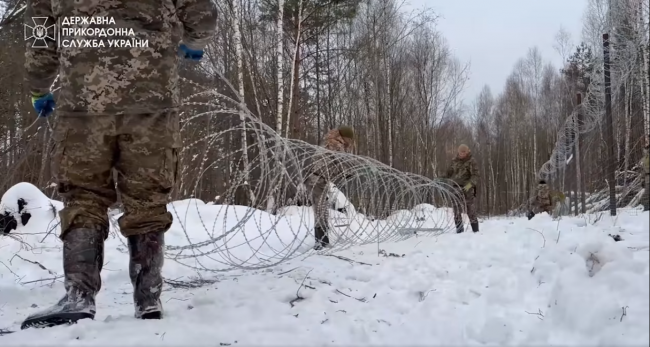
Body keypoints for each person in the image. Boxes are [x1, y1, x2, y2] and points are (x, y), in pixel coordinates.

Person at [22, 0, 217, 329]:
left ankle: (79, 297)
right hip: (151, 105)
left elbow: (40, 40)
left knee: (83, 195)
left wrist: (39, 88)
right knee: (148, 197)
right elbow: (203, 16)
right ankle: (148, 298)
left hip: (82, 106)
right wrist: (192, 44)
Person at [306, 126, 354, 250]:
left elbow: (335, 163)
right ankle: (321, 242)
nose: (350, 142)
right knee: (321, 210)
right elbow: (341, 161)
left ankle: (322, 241)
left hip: (319, 180)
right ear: (344, 137)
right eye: (349, 139)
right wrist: (349, 172)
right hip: (317, 180)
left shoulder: (330, 142)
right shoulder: (336, 145)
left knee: (321, 210)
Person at [444, 144, 479, 233]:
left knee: (470, 209)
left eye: (464, 152)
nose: (462, 153)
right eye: (461, 152)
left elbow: (476, 175)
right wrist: (442, 177)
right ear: (458, 152)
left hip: (468, 188)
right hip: (456, 187)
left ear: (467, 152)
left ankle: (476, 231)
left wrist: (470, 184)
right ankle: (459, 231)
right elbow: (449, 172)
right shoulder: (454, 161)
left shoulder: (472, 161)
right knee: (456, 210)